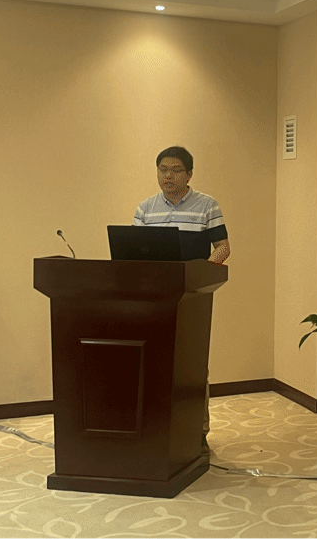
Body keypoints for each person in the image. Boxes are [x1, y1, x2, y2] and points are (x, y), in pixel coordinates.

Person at [133, 146, 229, 457]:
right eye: (163, 169)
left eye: (175, 170)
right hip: (154, 302)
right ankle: (156, 431)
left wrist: (202, 275)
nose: (168, 176)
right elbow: (132, 253)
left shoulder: (207, 205)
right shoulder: (145, 209)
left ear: (188, 174)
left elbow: (223, 248)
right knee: (155, 366)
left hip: (192, 300)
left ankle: (198, 433)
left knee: (193, 368)